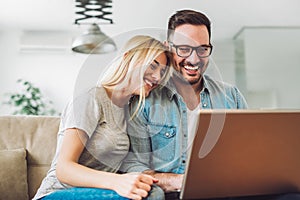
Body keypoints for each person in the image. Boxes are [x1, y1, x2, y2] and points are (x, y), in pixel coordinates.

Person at [120, 9, 248, 199]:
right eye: (184, 49)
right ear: (168, 48)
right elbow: (133, 166)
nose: (194, 59)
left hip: (224, 192)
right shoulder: (146, 98)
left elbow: (248, 154)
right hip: (172, 194)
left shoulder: (231, 96)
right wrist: (178, 181)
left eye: (203, 49)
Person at [33, 35, 173, 200]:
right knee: (152, 195)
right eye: (152, 66)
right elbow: (64, 169)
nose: (157, 77)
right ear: (128, 59)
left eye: (162, 72)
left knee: (150, 190)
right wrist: (117, 182)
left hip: (101, 194)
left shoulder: (130, 112)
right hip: (57, 193)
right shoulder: (90, 98)